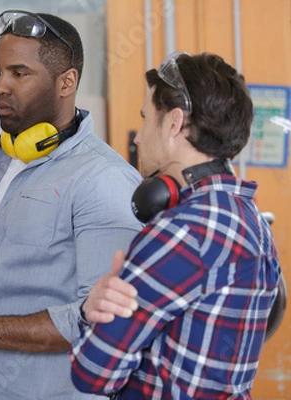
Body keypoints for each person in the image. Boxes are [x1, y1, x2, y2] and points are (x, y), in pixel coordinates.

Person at [0, 10, 143, 399]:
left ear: (67, 82)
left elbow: (101, 321)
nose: (1, 86)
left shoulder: (104, 181)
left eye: (19, 73)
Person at [70, 52, 281, 399]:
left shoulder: (181, 232)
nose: (138, 138)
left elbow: (93, 374)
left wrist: (90, 310)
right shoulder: (252, 220)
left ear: (174, 123)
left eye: (145, 118)